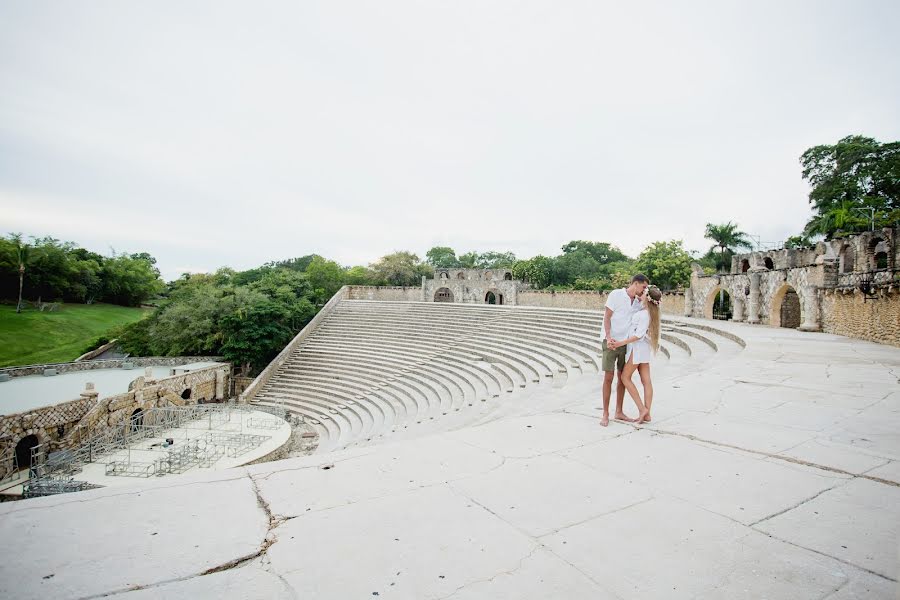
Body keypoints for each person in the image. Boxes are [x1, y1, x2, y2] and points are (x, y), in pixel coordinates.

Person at [600, 274, 649, 427]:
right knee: (608, 377)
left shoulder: (638, 302)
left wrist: (644, 299)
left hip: (625, 344)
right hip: (611, 341)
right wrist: (608, 338)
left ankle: (619, 411)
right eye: (643, 287)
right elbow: (607, 317)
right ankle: (605, 413)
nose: (644, 290)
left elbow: (652, 308)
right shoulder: (616, 295)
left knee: (622, 377)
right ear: (635, 284)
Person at [609, 285, 662, 424]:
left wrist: (620, 343)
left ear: (648, 298)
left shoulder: (643, 314)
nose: (641, 293)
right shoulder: (649, 312)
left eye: (644, 293)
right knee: (646, 381)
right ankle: (648, 414)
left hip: (638, 349)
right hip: (644, 349)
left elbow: (638, 335)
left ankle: (642, 409)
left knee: (625, 377)